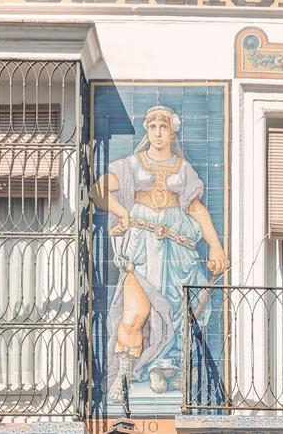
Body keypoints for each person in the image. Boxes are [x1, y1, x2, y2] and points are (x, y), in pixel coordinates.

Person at [92, 105, 229, 402]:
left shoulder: (183, 169)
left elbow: (196, 209)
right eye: (152, 127)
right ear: (146, 131)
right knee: (134, 314)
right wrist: (122, 214)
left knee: (176, 314)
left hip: (175, 252)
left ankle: (162, 367)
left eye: (163, 127)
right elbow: (99, 189)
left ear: (172, 131)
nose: (157, 132)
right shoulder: (131, 164)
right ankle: (124, 375)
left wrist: (216, 247)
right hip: (141, 249)